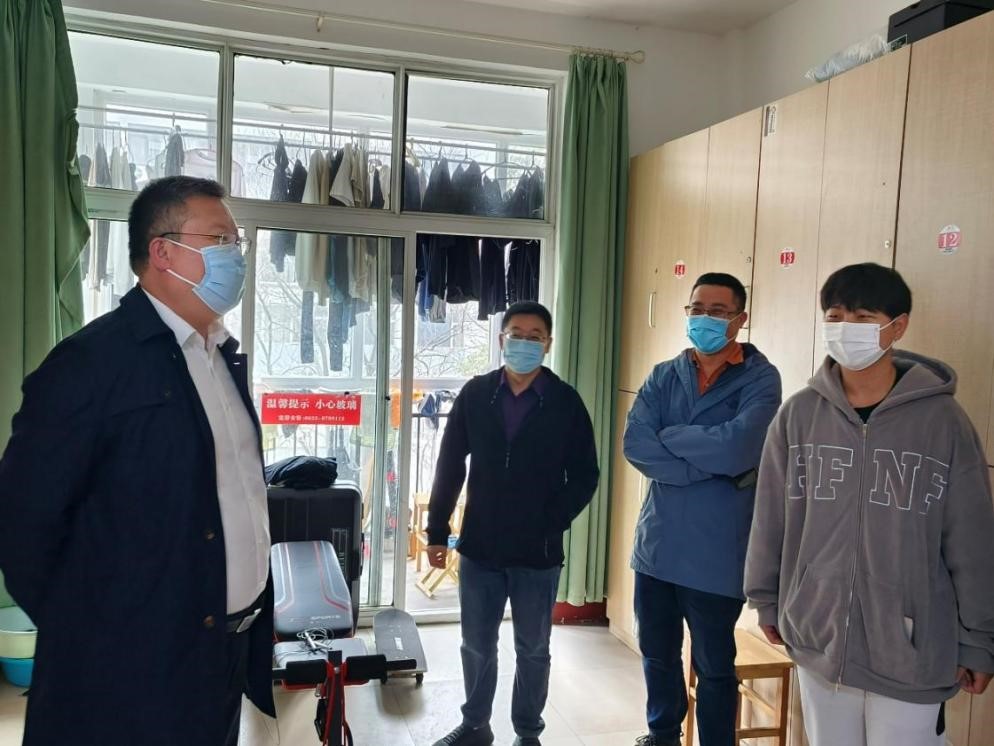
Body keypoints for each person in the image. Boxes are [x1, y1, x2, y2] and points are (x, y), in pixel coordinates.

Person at [0, 176, 274, 746]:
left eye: (238, 242)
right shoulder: (89, 365)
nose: (236, 256)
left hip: (221, 654)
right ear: (163, 252)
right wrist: (99, 637)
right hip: (132, 672)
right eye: (220, 240)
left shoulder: (219, 357)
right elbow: (22, 526)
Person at [745, 263, 994, 746]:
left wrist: (979, 639)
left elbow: (971, 539)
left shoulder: (943, 421)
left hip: (913, 648)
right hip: (818, 638)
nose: (846, 328)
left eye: (863, 318)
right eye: (835, 316)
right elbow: (770, 517)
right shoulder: (799, 415)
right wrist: (767, 599)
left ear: (897, 327)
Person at [427, 301, 600, 746]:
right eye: (516, 334)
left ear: (548, 344)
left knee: (533, 648)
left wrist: (552, 520)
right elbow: (450, 464)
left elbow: (586, 474)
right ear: (502, 339)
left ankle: (527, 732)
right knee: (476, 644)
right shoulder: (476, 394)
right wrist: (437, 530)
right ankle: (475, 725)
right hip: (480, 546)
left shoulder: (564, 402)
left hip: (537, 553)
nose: (524, 343)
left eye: (534, 336)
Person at [624, 273, 782, 746]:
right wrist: (707, 466)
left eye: (717, 311)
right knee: (657, 652)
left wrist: (673, 439)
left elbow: (740, 447)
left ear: (740, 319)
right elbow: (636, 444)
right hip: (658, 545)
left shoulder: (761, 378)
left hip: (717, 551)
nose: (704, 318)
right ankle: (662, 735)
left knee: (714, 665)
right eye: (696, 309)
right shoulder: (663, 375)